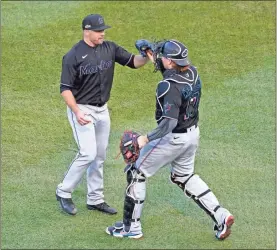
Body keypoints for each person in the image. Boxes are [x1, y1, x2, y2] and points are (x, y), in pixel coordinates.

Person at [106, 39, 235, 239]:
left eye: (164, 56)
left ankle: (131, 228)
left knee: (136, 172)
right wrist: (150, 54)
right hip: (192, 136)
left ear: (170, 61)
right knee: (184, 177)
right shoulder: (192, 72)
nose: (161, 58)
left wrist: (144, 139)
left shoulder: (168, 86)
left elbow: (168, 124)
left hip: (173, 138)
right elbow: (171, 74)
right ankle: (221, 215)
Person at [56, 14, 152, 216]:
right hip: (82, 108)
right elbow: (65, 89)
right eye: (99, 31)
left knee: (99, 156)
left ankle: (95, 199)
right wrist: (77, 111)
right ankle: (63, 191)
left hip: (102, 110)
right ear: (87, 31)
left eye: (103, 30)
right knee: (87, 153)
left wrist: (146, 55)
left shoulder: (110, 48)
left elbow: (133, 62)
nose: (103, 34)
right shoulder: (73, 55)